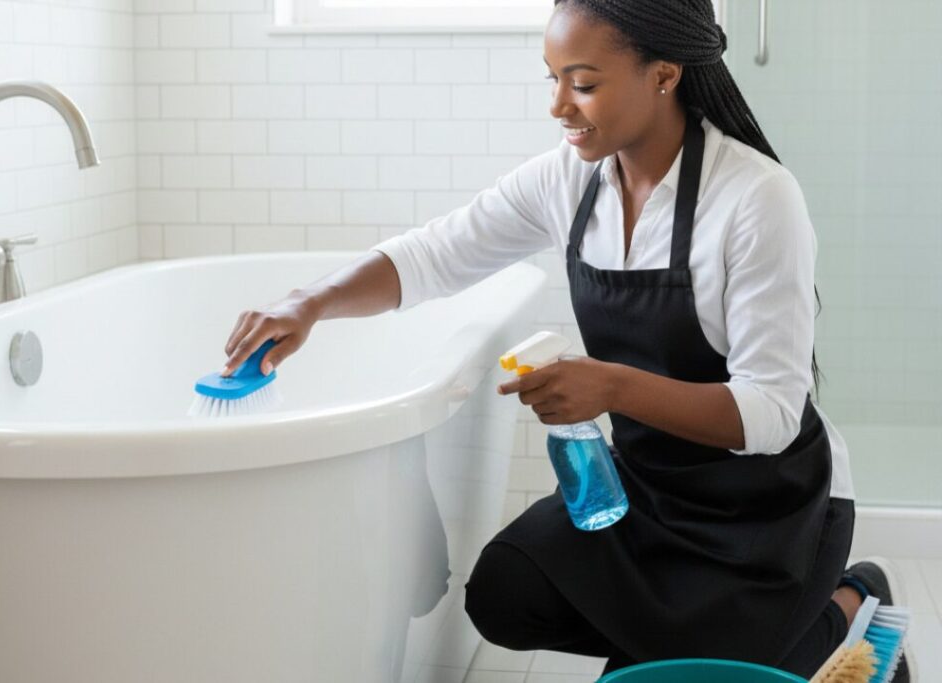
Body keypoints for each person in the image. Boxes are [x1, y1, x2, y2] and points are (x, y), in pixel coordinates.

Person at [219, 0, 911, 679]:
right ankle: (690, 638)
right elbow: (435, 254)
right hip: (651, 489)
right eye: (551, 79)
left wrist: (608, 385)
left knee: (699, 663)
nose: (558, 105)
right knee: (503, 592)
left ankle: (849, 599)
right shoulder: (567, 179)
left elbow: (770, 414)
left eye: (582, 84)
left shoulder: (755, 198)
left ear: (664, 74)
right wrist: (308, 303)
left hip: (771, 511)